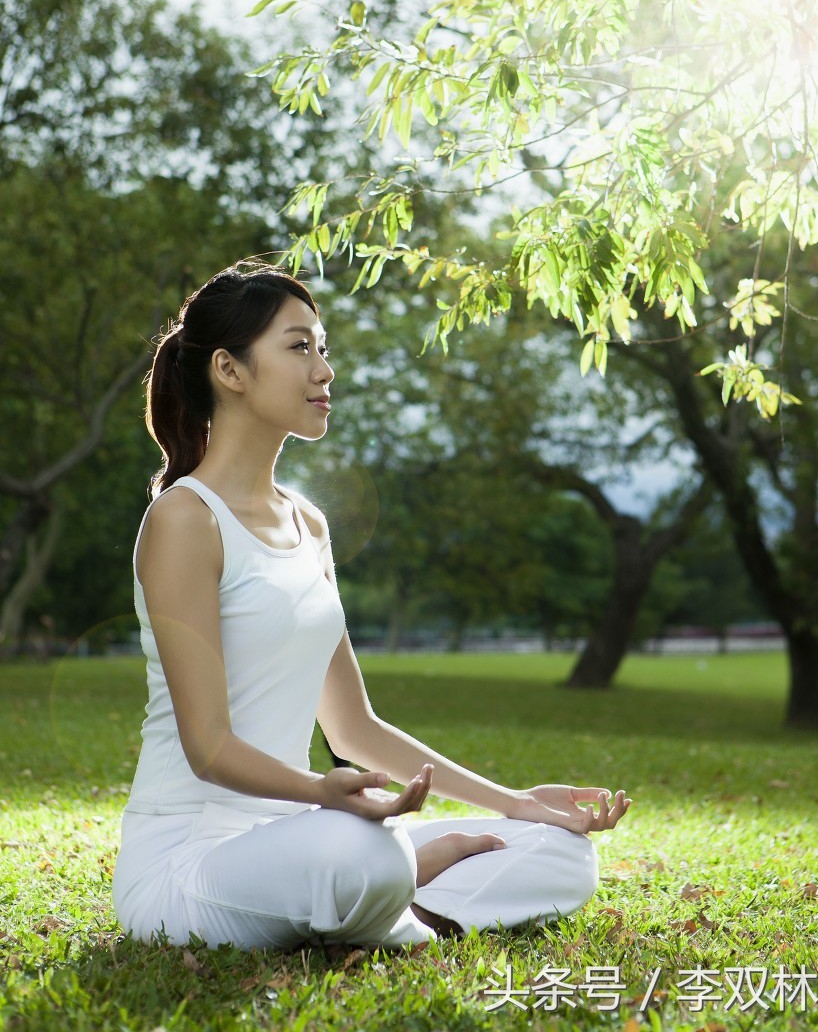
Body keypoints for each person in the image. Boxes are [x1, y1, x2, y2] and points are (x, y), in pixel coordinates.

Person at [111, 263, 632, 952]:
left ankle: (394, 898)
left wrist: (515, 803)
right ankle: (403, 888)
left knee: (559, 851)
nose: (324, 371)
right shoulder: (185, 520)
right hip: (190, 863)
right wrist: (321, 794)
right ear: (229, 370)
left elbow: (353, 727)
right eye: (299, 347)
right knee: (359, 850)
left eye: (323, 348)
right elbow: (208, 747)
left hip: (301, 835)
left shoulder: (309, 524)